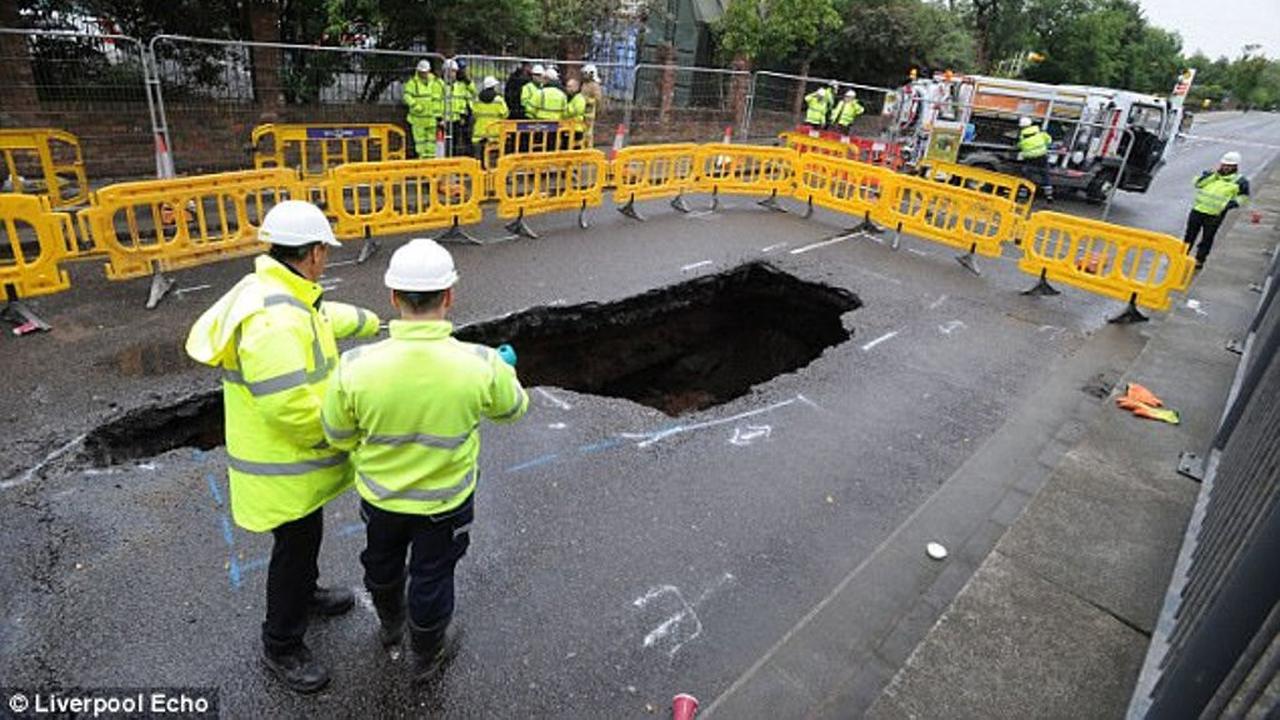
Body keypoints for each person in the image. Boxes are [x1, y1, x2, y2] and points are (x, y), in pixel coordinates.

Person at [185, 200, 381, 694]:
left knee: (304, 538)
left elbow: (318, 317)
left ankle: (307, 596)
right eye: (326, 251)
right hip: (281, 464)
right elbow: (291, 409)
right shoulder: (273, 320)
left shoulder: (279, 291)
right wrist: (344, 435)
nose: (327, 260)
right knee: (293, 548)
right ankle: (281, 644)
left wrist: (370, 320)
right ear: (314, 252)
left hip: (290, 463)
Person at [322, 238, 529, 683]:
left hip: (381, 499)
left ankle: (391, 624)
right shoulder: (480, 363)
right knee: (433, 575)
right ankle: (427, 652)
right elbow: (513, 411)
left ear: (393, 297)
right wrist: (505, 371)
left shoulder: (354, 366)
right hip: (444, 502)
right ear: (449, 296)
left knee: (381, 563)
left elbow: (337, 435)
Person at [1185, 151, 1250, 268]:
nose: (1226, 167)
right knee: (1189, 235)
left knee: (1207, 238)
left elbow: (1244, 197)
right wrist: (1209, 175)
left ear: (1235, 166)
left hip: (1215, 214)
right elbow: (1197, 184)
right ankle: (1182, 256)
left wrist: (1231, 204)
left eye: (1229, 166)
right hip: (1198, 210)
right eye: (1224, 164)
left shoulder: (1239, 181)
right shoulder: (1212, 175)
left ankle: (1200, 260)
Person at [403, 59, 445, 159]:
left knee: (431, 142)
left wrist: (440, 115)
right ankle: (422, 160)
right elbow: (407, 96)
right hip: (418, 119)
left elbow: (441, 97)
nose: (423, 74)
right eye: (421, 72)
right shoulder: (412, 83)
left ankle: (430, 160)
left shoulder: (436, 82)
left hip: (431, 118)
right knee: (420, 142)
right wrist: (416, 106)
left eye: (425, 72)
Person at [471, 75, 509, 168]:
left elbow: (474, 113)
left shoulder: (477, 99)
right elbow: (505, 114)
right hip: (493, 132)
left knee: (478, 158)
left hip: (479, 132)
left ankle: (479, 174)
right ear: (493, 86)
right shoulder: (498, 100)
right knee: (494, 157)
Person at [1016, 116, 1055, 203]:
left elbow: (1019, 146)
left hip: (1030, 159)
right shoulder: (1040, 132)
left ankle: (1022, 196)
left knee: (1027, 177)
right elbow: (1049, 140)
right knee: (1045, 176)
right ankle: (1049, 196)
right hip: (1042, 157)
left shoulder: (1022, 136)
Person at [444, 58, 477, 157]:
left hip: (466, 113)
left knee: (467, 138)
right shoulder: (453, 84)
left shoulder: (464, 83)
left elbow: (473, 92)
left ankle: (469, 158)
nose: (463, 71)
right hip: (455, 116)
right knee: (453, 140)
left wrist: (468, 81)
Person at [534, 67, 569, 151]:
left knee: (539, 145)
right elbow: (565, 111)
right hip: (556, 124)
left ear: (547, 79)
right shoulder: (562, 94)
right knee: (552, 145)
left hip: (541, 123)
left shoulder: (540, 93)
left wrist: (534, 116)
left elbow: (532, 107)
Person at [579, 63, 605, 146]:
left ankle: (589, 147)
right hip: (582, 111)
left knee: (588, 132)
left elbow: (598, 99)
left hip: (589, 112)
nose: (584, 76)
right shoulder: (585, 84)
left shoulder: (594, 85)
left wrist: (586, 100)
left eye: (586, 73)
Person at [564, 78, 587, 148]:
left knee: (574, 150)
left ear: (576, 87)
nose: (567, 88)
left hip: (576, 128)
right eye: (567, 86)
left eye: (570, 86)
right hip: (568, 127)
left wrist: (564, 110)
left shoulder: (579, 98)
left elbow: (574, 111)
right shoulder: (571, 97)